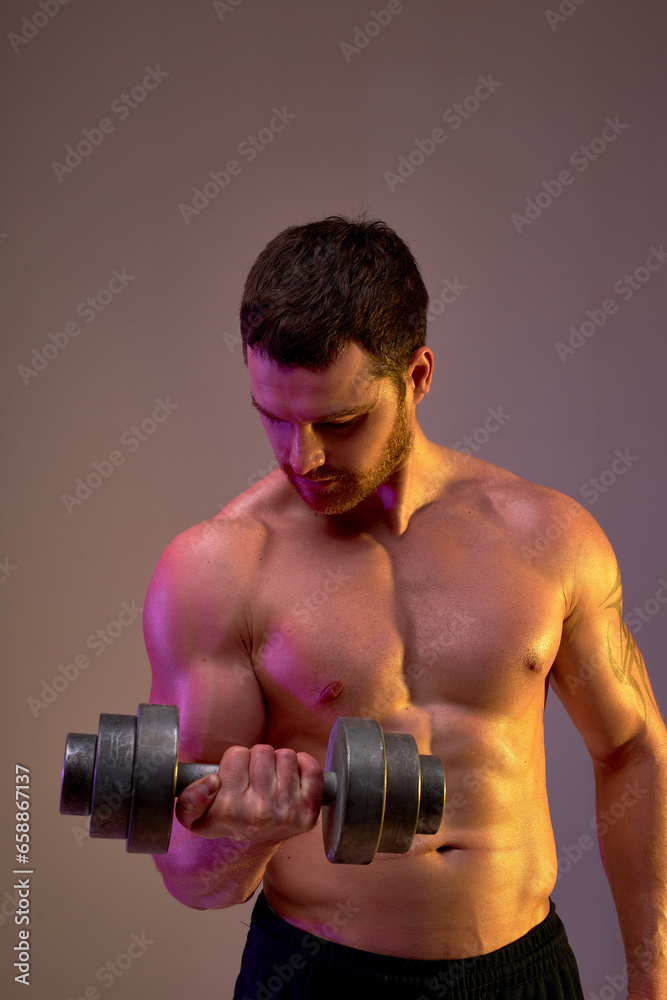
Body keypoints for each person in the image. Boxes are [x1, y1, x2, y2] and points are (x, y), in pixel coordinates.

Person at [145, 216, 667, 999]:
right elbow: (194, 880)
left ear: (417, 375)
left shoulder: (548, 537)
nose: (303, 457)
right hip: (318, 975)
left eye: (340, 422)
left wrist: (651, 980)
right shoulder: (217, 569)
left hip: (523, 972)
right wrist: (248, 835)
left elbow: (632, 751)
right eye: (274, 417)